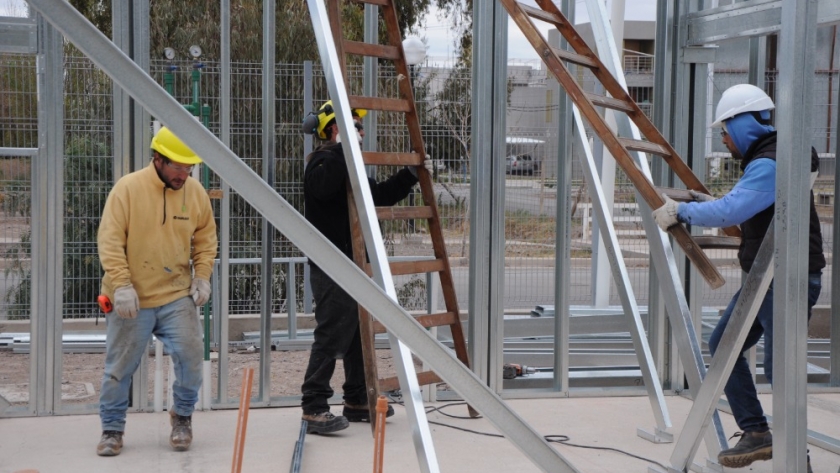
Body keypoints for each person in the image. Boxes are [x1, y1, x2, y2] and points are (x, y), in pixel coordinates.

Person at [652, 84, 824, 470]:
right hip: (766, 279)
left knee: (781, 371)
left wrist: (683, 213)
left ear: (743, 122)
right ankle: (757, 432)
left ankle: (797, 458)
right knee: (724, 346)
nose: (724, 138)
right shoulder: (773, 157)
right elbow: (744, 204)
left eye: (725, 128)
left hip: (783, 279)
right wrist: (701, 204)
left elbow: (733, 210)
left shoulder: (772, 161)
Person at [299, 100, 432, 434]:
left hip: (355, 264)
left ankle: (357, 398)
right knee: (331, 334)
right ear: (334, 129)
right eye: (354, 126)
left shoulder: (348, 163)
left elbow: (378, 195)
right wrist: (345, 149)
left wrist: (409, 175)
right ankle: (314, 405)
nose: (361, 132)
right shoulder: (322, 162)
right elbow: (325, 186)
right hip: (333, 265)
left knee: (358, 333)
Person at [96, 126, 218, 456]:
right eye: (177, 166)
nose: (183, 173)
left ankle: (182, 417)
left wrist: (202, 276)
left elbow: (206, 241)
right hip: (130, 296)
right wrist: (120, 284)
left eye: (188, 167)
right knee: (119, 368)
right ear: (158, 159)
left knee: (192, 358)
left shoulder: (195, 194)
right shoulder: (128, 189)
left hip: (175, 294)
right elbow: (109, 241)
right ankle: (112, 429)